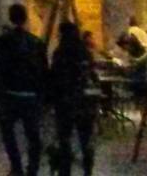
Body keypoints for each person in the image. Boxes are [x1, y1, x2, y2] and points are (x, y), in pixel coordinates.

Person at [0, 3, 47, 176]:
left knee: (8, 133)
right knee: (33, 136)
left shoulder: (3, 41)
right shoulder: (36, 42)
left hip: (10, 94)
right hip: (31, 95)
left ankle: (16, 167)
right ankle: (32, 169)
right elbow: (43, 70)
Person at [47, 21, 97, 176]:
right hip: (84, 101)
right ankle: (87, 168)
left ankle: (65, 169)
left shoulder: (60, 52)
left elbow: (54, 77)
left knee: (64, 138)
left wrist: (51, 99)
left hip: (64, 102)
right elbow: (91, 74)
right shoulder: (84, 52)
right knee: (85, 139)